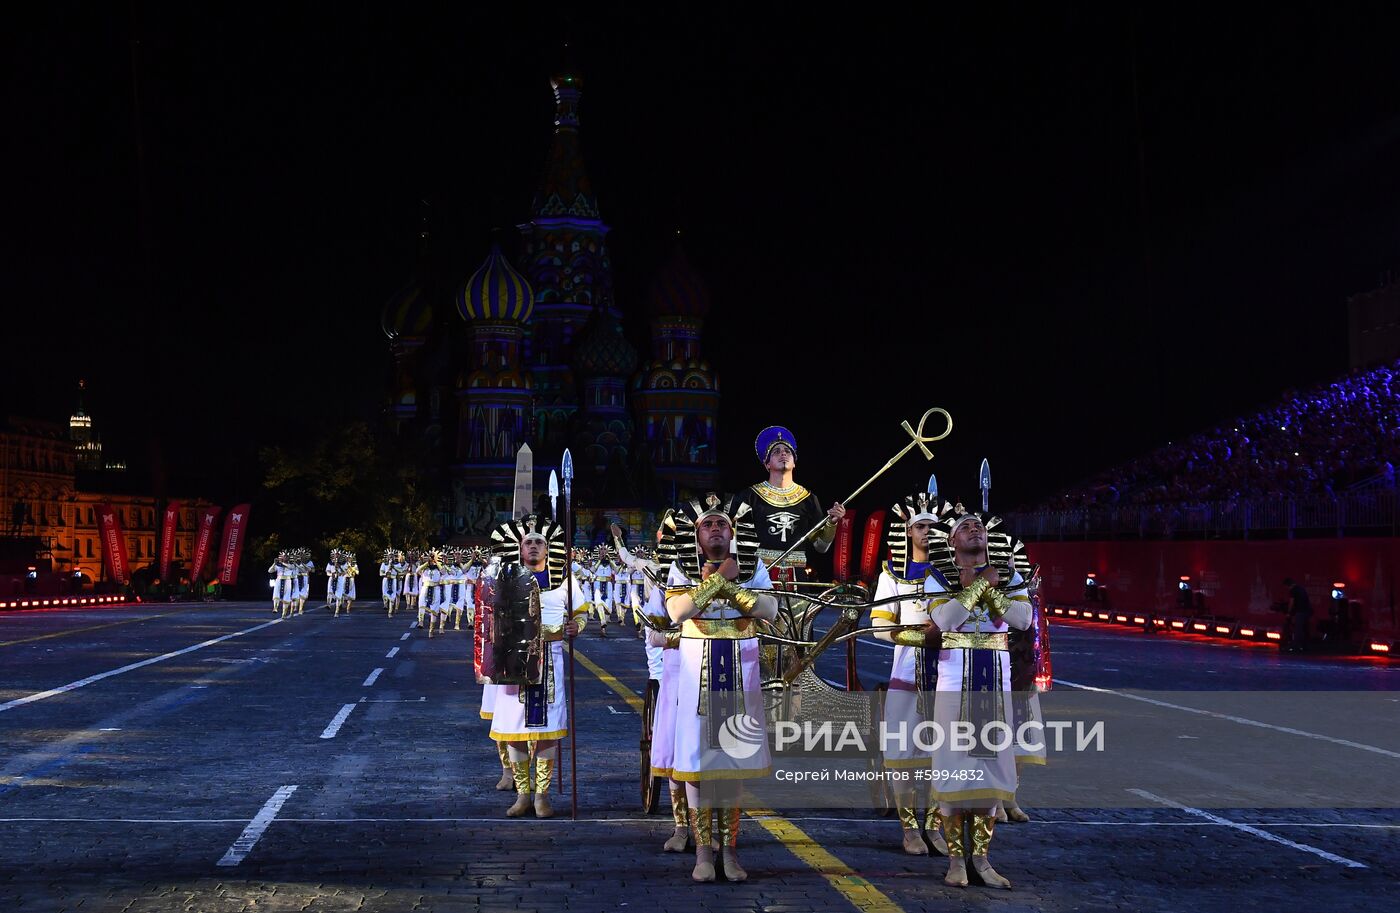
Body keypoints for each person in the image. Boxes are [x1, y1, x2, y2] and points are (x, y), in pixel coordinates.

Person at [663, 493, 779, 883]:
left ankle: (729, 851)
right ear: (697, 537)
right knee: (696, 765)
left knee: (732, 764)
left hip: (740, 669)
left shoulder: (754, 565)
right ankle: (702, 851)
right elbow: (677, 612)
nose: (715, 529)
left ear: (733, 532)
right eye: (707, 525)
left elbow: (769, 610)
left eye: (721, 524)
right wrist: (718, 580)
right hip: (697, 670)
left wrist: (730, 585)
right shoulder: (681, 567)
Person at [922, 507, 1033, 890]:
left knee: (988, 772)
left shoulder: (1010, 573)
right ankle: (955, 861)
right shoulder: (937, 576)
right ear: (951, 541)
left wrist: (988, 587)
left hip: (995, 678)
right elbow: (947, 621)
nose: (973, 529)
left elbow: (1022, 620)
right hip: (954, 679)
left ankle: (982, 860)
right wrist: (981, 586)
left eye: (979, 526)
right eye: (964, 527)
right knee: (954, 769)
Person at [488, 515, 590, 817]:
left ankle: (542, 795)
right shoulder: (505, 578)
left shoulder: (565, 579)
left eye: (539, 542)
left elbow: (581, 613)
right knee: (514, 730)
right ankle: (522, 794)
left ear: (548, 550)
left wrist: (577, 627)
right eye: (528, 542)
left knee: (547, 729)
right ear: (520, 550)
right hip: (514, 661)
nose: (533, 546)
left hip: (552, 657)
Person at [870, 491, 949, 857]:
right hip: (907, 671)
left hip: (948, 670)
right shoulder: (893, 574)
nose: (927, 531)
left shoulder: (953, 574)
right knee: (904, 751)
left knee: (942, 750)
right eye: (920, 525)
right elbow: (879, 627)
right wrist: (921, 635)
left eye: (933, 526)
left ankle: (933, 825)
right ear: (907, 531)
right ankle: (909, 828)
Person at [740, 426, 846, 588]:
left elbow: (821, 547)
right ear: (766, 464)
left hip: (798, 578)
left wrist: (832, 523)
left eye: (787, 451)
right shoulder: (750, 496)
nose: (783, 453)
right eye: (776, 451)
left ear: (794, 462)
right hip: (759, 575)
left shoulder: (809, 499)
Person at [1282, 577, 1312, 653]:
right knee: (1304, 629)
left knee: (1298, 629)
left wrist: (1289, 612)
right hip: (1307, 611)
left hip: (1300, 611)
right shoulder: (1301, 588)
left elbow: (1292, 602)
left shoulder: (1293, 590)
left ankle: (1295, 646)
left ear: (1288, 585)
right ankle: (1304, 646)